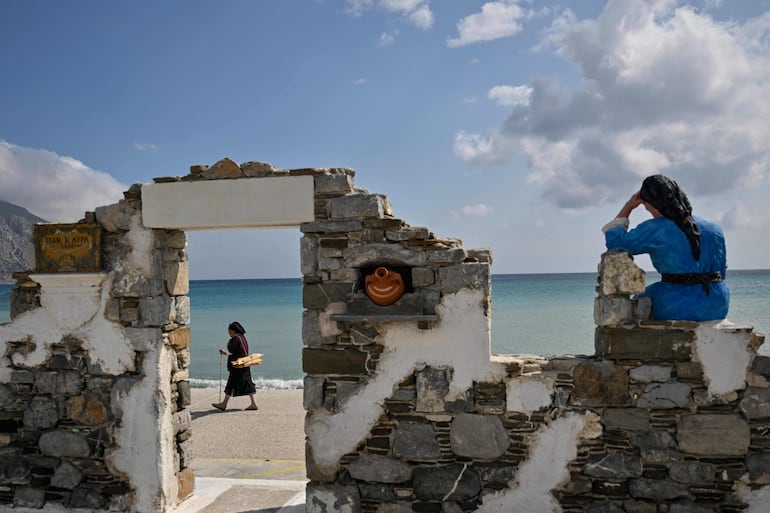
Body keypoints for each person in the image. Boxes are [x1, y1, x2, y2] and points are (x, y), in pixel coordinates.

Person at [602, 174, 729, 321]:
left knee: (638, 302)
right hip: (719, 303)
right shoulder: (714, 228)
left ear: (648, 203)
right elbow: (722, 271)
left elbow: (615, 241)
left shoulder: (655, 228)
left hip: (676, 304)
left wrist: (629, 206)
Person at [212, 321, 258, 411]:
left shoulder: (235, 338)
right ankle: (253, 403)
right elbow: (237, 352)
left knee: (231, 384)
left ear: (233, 331)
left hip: (238, 366)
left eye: (229, 331)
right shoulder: (243, 337)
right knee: (247, 383)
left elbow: (231, 349)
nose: (228, 333)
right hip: (245, 363)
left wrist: (229, 342)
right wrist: (225, 353)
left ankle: (224, 404)